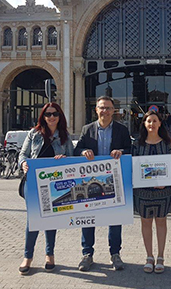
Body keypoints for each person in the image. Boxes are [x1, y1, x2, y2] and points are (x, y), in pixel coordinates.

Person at [74, 96, 131, 271]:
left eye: (108, 108)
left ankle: (115, 254)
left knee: (115, 219)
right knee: (88, 219)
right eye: (101, 107)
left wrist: (120, 151)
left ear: (114, 111)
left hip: (114, 181)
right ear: (96, 110)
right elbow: (77, 150)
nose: (104, 111)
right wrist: (84, 151)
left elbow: (130, 150)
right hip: (91, 182)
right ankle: (87, 254)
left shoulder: (122, 130)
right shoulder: (87, 129)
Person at [18, 103, 74, 275]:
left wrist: (63, 159)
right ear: (43, 116)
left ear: (60, 116)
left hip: (55, 184)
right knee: (33, 219)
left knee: (51, 218)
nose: (51, 117)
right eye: (48, 114)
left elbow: (72, 159)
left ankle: (50, 254)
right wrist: (24, 164)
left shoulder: (64, 136)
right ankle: (28, 256)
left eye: (55, 114)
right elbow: (22, 154)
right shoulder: (34, 134)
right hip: (33, 182)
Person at [133, 110, 171, 274]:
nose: (152, 124)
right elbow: (135, 167)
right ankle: (149, 256)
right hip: (143, 193)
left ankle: (161, 257)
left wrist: (164, 183)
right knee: (145, 223)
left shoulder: (167, 143)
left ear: (159, 123)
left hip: (162, 193)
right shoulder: (137, 144)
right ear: (144, 124)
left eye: (154, 121)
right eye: (148, 121)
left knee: (161, 222)